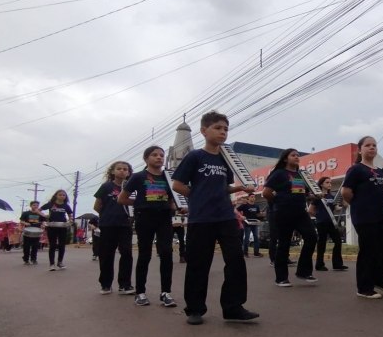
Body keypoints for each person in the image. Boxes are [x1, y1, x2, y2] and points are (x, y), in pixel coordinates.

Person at [172, 111, 259, 325]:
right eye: (218, 128)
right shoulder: (195, 157)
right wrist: (199, 197)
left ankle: (233, 307)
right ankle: (194, 309)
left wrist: (238, 187)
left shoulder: (226, 159)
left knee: (236, 260)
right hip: (200, 218)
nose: (223, 132)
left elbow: (223, 187)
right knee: (199, 264)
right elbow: (177, 184)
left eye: (226, 129)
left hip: (225, 217)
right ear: (204, 131)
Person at [342, 136, 383, 299]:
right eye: (368, 145)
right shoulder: (356, 169)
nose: (372, 148)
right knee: (370, 250)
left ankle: (379, 279)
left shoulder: (380, 172)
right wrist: (361, 205)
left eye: (374, 145)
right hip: (365, 217)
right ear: (360, 150)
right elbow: (346, 192)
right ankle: (364, 287)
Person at [118, 146, 176, 308]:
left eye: (161, 155)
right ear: (146, 159)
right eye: (154, 155)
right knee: (145, 254)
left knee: (166, 253)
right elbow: (122, 199)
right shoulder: (138, 177)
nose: (159, 157)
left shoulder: (168, 177)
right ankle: (140, 293)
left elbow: (172, 199)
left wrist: (176, 206)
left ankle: (166, 293)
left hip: (164, 218)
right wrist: (140, 204)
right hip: (144, 218)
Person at [262, 149, 318, 287]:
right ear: (285, 159)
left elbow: (299, 193)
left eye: (298, 155)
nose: (297, 157)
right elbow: (266, 193)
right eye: (293, 155)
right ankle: (281, 278)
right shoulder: (279, 173)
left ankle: (303, 271)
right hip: (283, 213)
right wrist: (278, 202)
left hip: (300, 212)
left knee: (312, 237)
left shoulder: (298, 174)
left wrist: (314, 196)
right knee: (284, 244)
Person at [94, 161, 135, 295]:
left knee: (127, 253)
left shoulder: (132, 188)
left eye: (125, 169)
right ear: (113, 172)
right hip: (108, 225)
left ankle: (125, 285)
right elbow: (97, 206)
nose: (122, 171)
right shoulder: (106, 187)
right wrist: (108, 215)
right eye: (119, 169)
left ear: (129, 172)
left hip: (125, 225)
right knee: (106, 255)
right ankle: (106, 284)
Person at [311, 176, 347, 272]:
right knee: (322, 244)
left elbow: (336, 209)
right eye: (327, 182)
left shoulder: (332, 196)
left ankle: (337, 264)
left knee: (338, 241)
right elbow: (310, 210)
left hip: (332, 223)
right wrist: (319, 216)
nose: (330, 184)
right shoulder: (317, 196)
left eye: (330, 182)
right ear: (322, 184)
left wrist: (343, 205)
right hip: (321, 223)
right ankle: (319, 264)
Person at [41, 190, 73, 271]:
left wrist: (70, 220)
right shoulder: (51, 204)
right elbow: (38, 210)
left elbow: (70, 215)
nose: (62, 196)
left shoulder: (66, 206)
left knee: (62, 245)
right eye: (60, 195)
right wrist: (45, 216)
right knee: (52, 245)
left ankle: (60, 262)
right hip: (52, 226)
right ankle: (52, 264)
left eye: (64, 195)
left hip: (62, 226)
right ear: (56, 195)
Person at [237, 194, 264, 258]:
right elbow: (236, 210)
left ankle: (256, 253)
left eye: (254, 197)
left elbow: (258, 214)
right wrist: (241, 216)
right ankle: (245, 253)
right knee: (247, 238)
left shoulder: (256, 206)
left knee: (256, 238)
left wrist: (261, 217)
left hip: (255, 223)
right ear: (248, 198)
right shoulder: (244, 205)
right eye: (252, 197)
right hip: (247, 223)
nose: (253, 198)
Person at [19, 201, 45, 265]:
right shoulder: (26, 213)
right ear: (31, 206)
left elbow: (43, 221)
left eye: (37, 205)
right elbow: (21, 221)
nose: (35, 206)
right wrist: (25, 223)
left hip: (37, 232)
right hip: (27, 232)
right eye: (34, 205)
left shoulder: (40, 214)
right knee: (26, 246)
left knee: (35, 246)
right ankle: (26, 259)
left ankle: (34, 259)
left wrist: (43, 225)